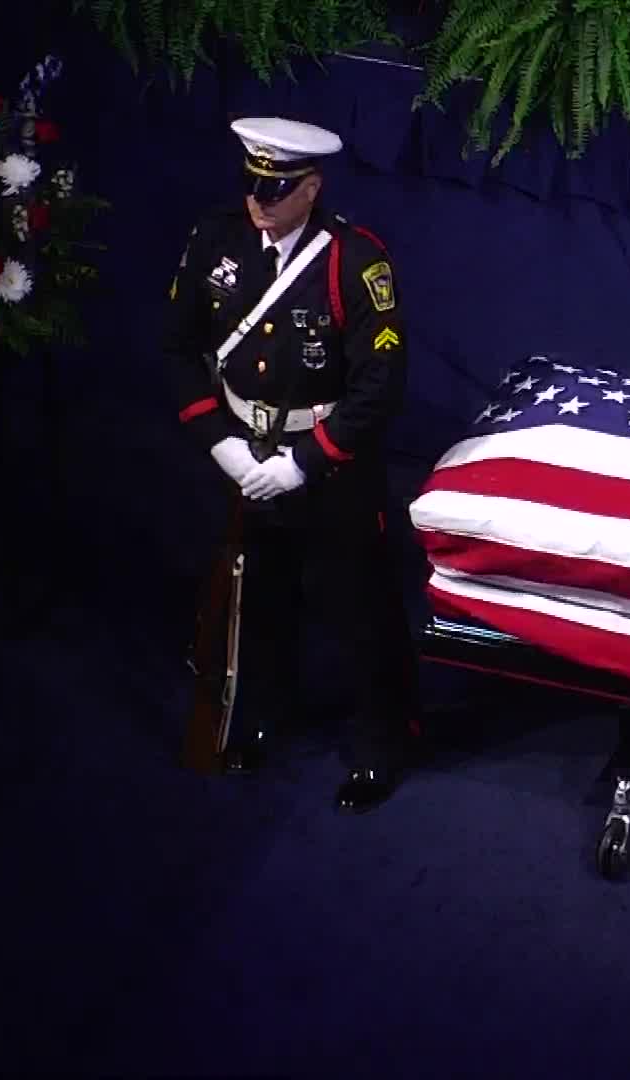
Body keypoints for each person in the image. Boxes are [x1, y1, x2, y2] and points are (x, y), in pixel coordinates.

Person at [165, 116, 415, 813]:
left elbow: (380, 385)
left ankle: (379, 744)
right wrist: (219, 441)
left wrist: (306, 461)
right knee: (262, 599)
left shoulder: (354, 263)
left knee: (358, 605)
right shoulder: (216, 240)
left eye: (274, 190)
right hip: (245, 454)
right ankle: (263, 719)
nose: (258, 201)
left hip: (331, 466)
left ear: (311, 187)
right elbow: (179, 349)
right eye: (251, 184)